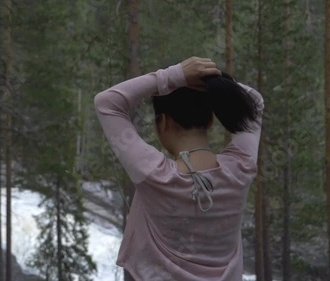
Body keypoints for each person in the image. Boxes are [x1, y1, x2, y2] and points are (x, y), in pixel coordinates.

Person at [93, 57, 264, 281]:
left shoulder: (153, 173)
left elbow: (106, 102)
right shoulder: (241, 168)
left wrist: (174, 76)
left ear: (162, 122)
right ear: (211, 121)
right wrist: (214, 82)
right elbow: (256, 101)